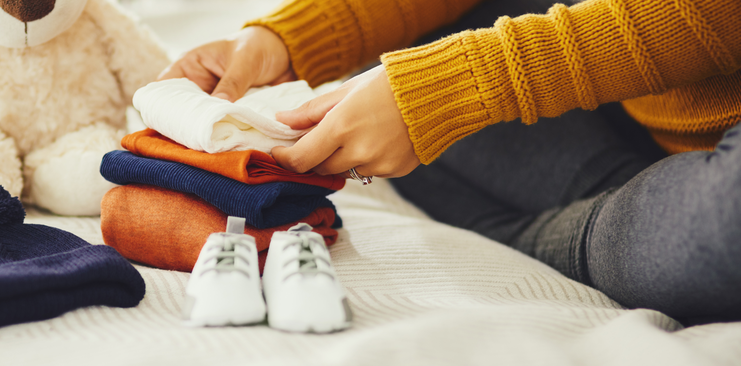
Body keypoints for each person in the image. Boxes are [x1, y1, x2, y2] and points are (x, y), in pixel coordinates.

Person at [158, 0, 741, 325]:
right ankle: (638, 216)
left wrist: (458, 85)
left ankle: (561, 236)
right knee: (393, 91)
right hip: (633, 91)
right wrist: (286, 41)